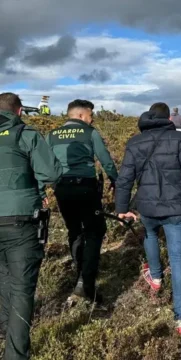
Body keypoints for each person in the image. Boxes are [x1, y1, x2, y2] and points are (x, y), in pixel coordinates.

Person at [115, 102, 181, 335]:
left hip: (147, 207)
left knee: (150, 235)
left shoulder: (135, 142)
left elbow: (124, 179)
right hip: (177, 208)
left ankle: (155, 277)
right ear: (168, 118)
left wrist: (121, 208)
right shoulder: (180, 139)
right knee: (177, 259)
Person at [0, 92, 62, 359]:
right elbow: (51, 173)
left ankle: (6, 331)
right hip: (20, 221)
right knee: (22, 289)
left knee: (3, 282)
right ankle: (14, 354)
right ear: (20, 112)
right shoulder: (26, 134)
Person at [46, 99, 118, 302]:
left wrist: (52, 186)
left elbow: (43, 163)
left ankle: (79, 275)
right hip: (85, 187)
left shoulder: (51, 135)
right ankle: (86, 282)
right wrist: (116, 181)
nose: (92, 118)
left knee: (75, 231)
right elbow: (105, 160)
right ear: (80, 115)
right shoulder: (89, 132)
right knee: (95, 231)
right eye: (90, 115)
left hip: (62, 189)